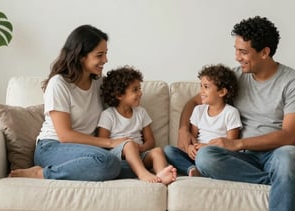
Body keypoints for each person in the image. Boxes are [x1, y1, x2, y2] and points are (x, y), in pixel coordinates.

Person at [177, 16, 295, 211]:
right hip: (245, 158)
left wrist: (237, 143)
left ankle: (287, 176)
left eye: (243, 52)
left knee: (287, 159)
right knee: (205, 157)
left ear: (264, 52)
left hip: (281, 153)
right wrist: (183, 129)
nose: (237, 57)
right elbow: (194, 101)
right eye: (236, 50)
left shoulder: (294, 81)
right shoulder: (236, 76)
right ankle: (291, 181)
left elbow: (290, 136)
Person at [9, 25, 122, 181]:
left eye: (106, 54)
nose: (105, 60)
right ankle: (41, 173)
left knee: (128, 163)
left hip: (86, 151)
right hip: (52, 148)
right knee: (108, 162)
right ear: (81, 56)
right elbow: (65, 135)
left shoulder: (98, 83)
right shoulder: (59, 84)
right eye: (99, 55)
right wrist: (110, 143)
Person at [97, 66, 177, 185]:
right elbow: (102, 143)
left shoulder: (141, 112)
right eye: (135, 90)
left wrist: (143, 148)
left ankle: (161, 174)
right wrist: (127, 146)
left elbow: (150, 141)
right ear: (119, 95)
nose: (140, 93)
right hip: (119, 160)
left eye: (139, 88)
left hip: (140, 156)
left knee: (157, 151)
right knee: (129, 144)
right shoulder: (108, 115)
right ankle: (142, 174)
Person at [164, 64, 242, 176]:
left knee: (207, 154)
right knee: (168, 150)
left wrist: (207, 147)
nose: (201, 91)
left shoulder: (231, 113)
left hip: (215, 154)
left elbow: (231, 145)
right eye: (201, 86)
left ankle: (204, 167)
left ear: (222, 92)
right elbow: (193, 137)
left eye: (206, 87)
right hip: (196, 153)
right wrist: (190, 148)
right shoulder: (198, 110)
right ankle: (192, 169)